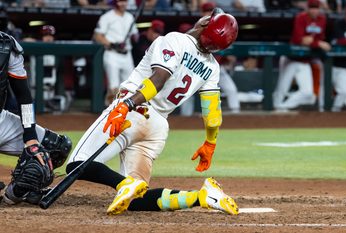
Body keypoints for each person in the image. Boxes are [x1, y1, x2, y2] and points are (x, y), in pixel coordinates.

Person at [66, 8, 238, 215]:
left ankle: (124, 184)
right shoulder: (212, 67)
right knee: (135, 200)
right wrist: (210, 142)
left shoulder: (175, 39)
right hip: (157, 128)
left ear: (203, 24)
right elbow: (212, 115)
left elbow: (158, 80)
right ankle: (201, 196)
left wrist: (125, 105)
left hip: (133, 111)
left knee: (76, 165)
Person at [0, 31, 72, 204]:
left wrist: (30, 138)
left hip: (1, 121)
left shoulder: (7, 46)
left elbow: (24, 97)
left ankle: (17, 192)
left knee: (56, 147)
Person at [273, 0, 330, 111]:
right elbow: (299, 39)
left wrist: (312, 41)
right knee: (282, 88)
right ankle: (272, 113)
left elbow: (320, 38)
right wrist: (317, 43)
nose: (314, 10)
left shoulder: (322, 19)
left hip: (304, 61)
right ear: (307, 8)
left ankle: (283, 107)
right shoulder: (301, 17)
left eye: (316, 8)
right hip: (291, 58)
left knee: (308, 92)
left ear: (319, 9)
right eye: (312, 8)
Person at [93, 0, 139, 106]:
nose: (123, 4)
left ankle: (126, 111)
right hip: (112, 54)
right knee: (113, 86)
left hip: (127, 55)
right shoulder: (107, 17)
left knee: (131, 86)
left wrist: (135, 37)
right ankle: (110, 110)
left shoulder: (129, 17)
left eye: (125, 1)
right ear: (115, 3)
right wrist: (112, 44)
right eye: (120, 1)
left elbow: (134, 34)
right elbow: (98, 36)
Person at [329, 3, 346, 111]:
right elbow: (340, 41)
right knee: (343, 92)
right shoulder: (339, 24)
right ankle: (334, 111)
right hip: (337, 64)